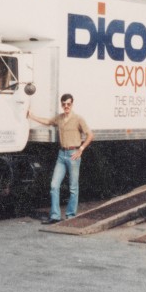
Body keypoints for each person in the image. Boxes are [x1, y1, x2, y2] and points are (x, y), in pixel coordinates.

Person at [28, 93, 94, 224]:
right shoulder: (59, 118)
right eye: (64, 104)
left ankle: (70, 216)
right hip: (61, 155)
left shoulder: (78, 119)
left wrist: (81, 149)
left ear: (72, 104)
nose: (66, 106)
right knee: (54, 185)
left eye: (68, 104)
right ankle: (55, 216)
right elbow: (47, 121)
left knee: (73, 187)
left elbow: (90, 135)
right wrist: (32, 116)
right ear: (62, 105)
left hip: (73, 154)